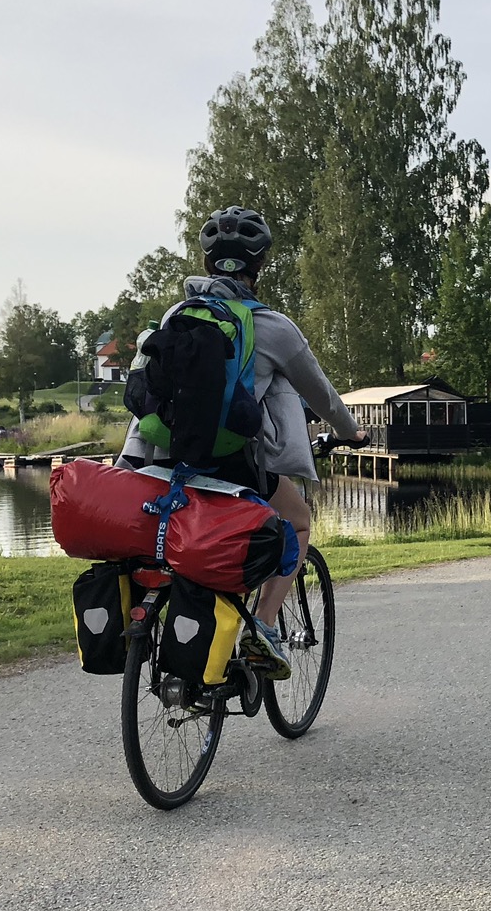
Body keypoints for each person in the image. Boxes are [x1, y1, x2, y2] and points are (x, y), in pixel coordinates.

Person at [119, 206, 366, 675]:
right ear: (260, 265)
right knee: (297, 522)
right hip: (233, 464)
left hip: (166, 459)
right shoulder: (274, 327)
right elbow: (322, 395)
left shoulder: (175, 315)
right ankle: (264, 628)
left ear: (207, 262)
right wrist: (350, 431)